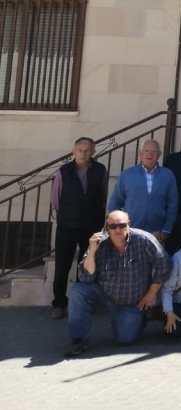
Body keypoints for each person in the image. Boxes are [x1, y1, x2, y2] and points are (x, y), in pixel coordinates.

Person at [65, 210, 169, 357]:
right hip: (105, 294)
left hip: (131, 302)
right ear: (107, 228)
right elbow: (86, 277)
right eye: (113, 226)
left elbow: (163, 264)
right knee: (78, 290)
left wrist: (151, 293)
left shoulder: (144, 239)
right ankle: (78, 340)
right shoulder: (99, 243)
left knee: (125, 339)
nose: (117, 230)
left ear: (129, 225)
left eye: (122, 225)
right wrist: (92, 251)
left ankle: (140, 318)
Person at [49, 137, 107, 320]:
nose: (83, 153)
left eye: (87, 150)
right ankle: (59, 304)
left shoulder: (100, 170)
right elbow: (55, 200)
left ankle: (83, 303)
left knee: (87, 268)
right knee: (62, 267)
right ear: (73, 151)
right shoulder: (63, 171)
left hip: (91, 227)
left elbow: (103, 196)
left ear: (93, 152)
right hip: (67, 226)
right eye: (80, 150)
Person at [107, 139, 178, 243]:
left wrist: (166, 230)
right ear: (140, 154)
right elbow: (115, 203)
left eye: (154, 152)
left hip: (156, 233)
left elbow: (172, 205)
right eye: (146, 151)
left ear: (159, 155)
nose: (150, 154)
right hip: (130, 231)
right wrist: (116, 227)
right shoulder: (127, 174)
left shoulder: (167, 175)